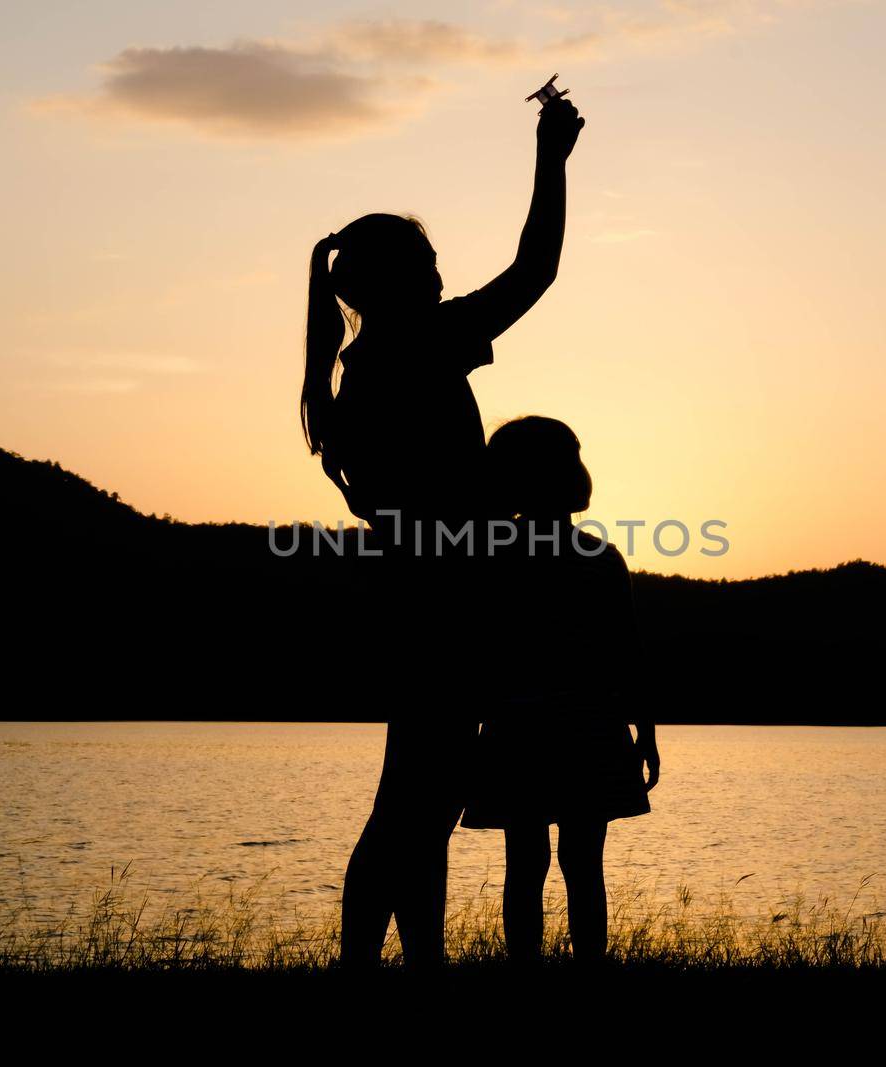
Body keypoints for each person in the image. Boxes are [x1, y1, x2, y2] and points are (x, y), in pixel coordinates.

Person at [301, 95, 587, 968]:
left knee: (419, 802)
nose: (437, 275)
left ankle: (419, 965)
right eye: (426, 263)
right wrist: (552, 156)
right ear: (393, 282)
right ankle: (365, 968)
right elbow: (534, 270)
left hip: (418, 602)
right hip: (446, 609)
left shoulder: (362, 369)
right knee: (411, 809)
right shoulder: (417, 346)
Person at [461, 416, 661, 965]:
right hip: (585, 726)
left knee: (527, 861)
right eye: (571, 457)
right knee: (577, 861)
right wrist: (644, 732)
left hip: (523, 728)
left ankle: (532, 971)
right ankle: (585, 971)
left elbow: (480, 653)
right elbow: (630, 654)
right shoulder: (596, 557)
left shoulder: (492, 555)